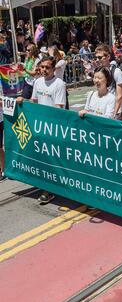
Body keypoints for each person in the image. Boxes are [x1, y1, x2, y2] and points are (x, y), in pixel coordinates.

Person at [18, 56, 66, 204]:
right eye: (42, 67)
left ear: (53, 69)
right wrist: (23, 101)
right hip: (39, 127)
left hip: (52, 128)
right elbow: (34, 102)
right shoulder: (38, 82)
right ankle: (46, 185)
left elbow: (59, 108)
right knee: (41, 159)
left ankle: (49, 189)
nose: (44, 70)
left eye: (47, 67)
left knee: (52, 159)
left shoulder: (59, 84)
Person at [94, 44, 122, 120]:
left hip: (115, 111)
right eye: (96, 57)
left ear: (108, 57)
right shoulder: (100, 70)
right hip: (103, 109)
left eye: (100, 57)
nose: (97, 60)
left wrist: (114, 114)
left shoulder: (116, 71)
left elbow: (120, 96)